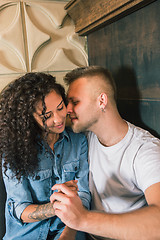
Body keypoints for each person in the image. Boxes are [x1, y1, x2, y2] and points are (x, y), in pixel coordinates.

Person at [50, 66, 160, 240]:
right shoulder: (83, 138)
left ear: (102, 101)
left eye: (75, 102)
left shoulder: (145, 149)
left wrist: (83, 219)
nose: (67, 109)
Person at [0, 72, 91, 240]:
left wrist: (67, 234)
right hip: (25, 235)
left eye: (60, 107)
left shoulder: (79, 142)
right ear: (29, 118)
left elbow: (83, 197)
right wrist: (58, 206)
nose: (58, 119)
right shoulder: (14, 150)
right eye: (47, 116)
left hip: (70, 230)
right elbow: (20, 210)